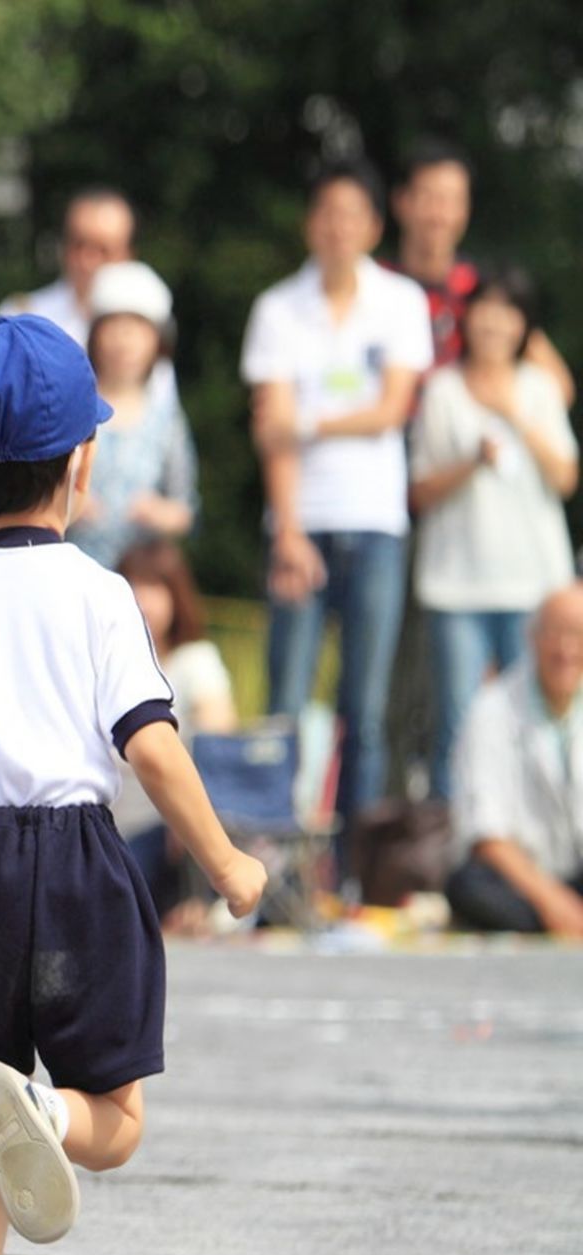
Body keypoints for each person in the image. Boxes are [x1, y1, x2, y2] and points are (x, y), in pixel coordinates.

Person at [0, 315, 266, 1255]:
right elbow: (150, 749)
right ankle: (45, 1108)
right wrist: (229, 861)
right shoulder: (100, 593)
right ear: (85, 460)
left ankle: (4, 1151)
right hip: (77, 867)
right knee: (113, 1121)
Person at [243, 158, 433, 853]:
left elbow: (391, 409)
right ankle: (273, 862)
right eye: (327, 213)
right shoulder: (277, 308)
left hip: (377, 523)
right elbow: (271, 434)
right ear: (310, 223)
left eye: (353, 214)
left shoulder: (402, 302)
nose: (338, 228)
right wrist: (288, 530)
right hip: (299, 524)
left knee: (367, 709)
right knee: (284, 704)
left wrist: (310, 421)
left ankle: (356, 866)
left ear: (374, 226)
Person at [409, 267, 577, 798]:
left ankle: (535, 853)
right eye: (486, 310)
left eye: (509, 313)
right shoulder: (441, 391)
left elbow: (567, 477)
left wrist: (518, 418)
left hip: (534, 586)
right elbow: (419, 489)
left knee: (536, 722)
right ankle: (449, 852)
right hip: (457, 588)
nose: (496, 324)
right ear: (468, 317)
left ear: (524, 325)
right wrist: (471, 463)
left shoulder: (540, 388)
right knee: (457, 724)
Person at [386, 140, 574, 405]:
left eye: (452, 200)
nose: (440, 214)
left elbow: (559, 387)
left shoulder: (482, 289)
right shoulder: (372, 287)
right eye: (429, 197)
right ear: (401, 202)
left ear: (466, 208)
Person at [445, 584, 583, 935]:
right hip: (519, 880)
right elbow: (487, 836)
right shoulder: (491, 711)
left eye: (578, 634)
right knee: (469, 887)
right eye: (556, 633)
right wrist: (551, 900)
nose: (567, 649)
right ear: (533, 638)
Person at [113, 541, 239, 918]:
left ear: (175, 595)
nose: (143, 601)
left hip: (168, 823)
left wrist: (183, 818)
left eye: (155, 587)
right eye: (133, 586)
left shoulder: (194, 661)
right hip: (110, 822)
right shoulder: (107, 665)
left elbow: (218, 743)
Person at [67, 262, 197, 568]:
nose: (124, 342)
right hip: (74, 572)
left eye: (137, 330)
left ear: (158, 341)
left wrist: (157, 513)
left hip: (140, 579)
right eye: (113, 328)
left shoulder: (168, 420)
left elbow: (186, 510)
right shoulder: (70, 411)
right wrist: (70, 507)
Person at [0, 187, 137, 345]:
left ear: (127, 254)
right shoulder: (20, 318)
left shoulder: (145, 322)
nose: (87, 260)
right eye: (78, 244)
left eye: (103, 250)